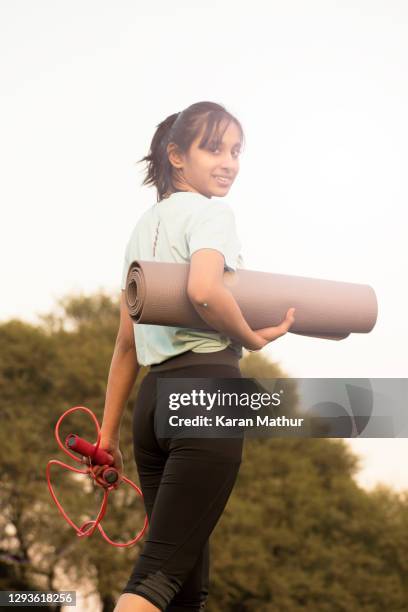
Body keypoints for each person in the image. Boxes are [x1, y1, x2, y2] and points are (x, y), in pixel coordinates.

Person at [95, 101, 295, 611]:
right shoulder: (212, 214)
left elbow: (125, 345)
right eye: (214, 149)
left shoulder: (142, 230)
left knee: (184, 593)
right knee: (158, 578)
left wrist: (106, 437)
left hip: (152, 406)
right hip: (206, 394)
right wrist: (250, 336)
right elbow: (206, 289)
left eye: (235, 151)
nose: (229, 162)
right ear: (176, 156)